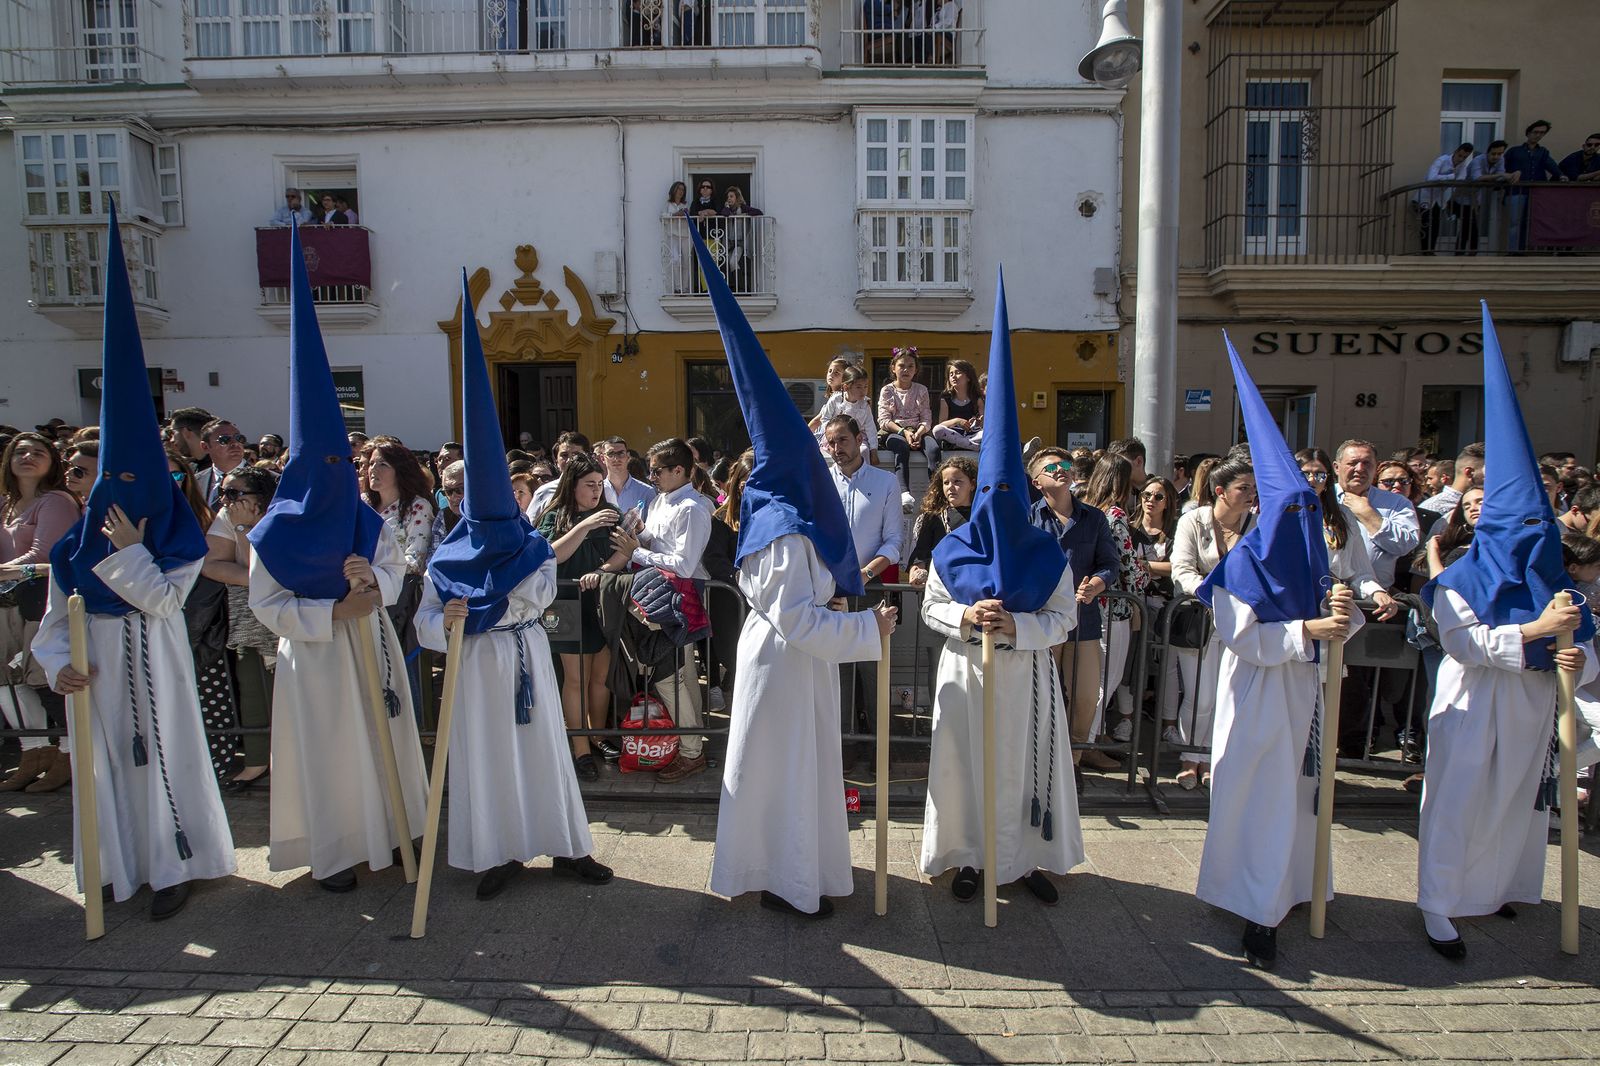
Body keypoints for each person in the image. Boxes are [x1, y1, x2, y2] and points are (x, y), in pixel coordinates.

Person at [687, 220, 893, 919]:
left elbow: (813, 602)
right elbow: (797, 616)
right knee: (784, 775)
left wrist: (847, 610)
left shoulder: (792, 521)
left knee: (802, 773)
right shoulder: (777, 531)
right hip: (784, 661)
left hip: (801, 661)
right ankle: (785, 879)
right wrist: (870, 628)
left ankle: (804, 872)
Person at [34, 209, 235, 919]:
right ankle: (119, 867)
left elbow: (165, 602)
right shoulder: (69, 549)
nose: (113, 498)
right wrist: (56, 659)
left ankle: (176, 864)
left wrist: (132, 557)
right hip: (97, 675)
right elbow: (57, 620)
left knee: (164, 760)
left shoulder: (176, 538)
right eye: (97, 482)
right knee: (112, 769)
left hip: (156, 658)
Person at [418, 272, 611, 901]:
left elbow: (542, 593)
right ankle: (497, 852)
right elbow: (425, 624)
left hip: (525, 651)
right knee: (490, 758)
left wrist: (494, 605)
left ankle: (565, 846)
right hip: (478, 664)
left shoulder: (528, 543)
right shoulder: (448, 557)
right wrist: (450, 616)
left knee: (546, 753)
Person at [247, 224, 428, 894]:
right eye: (320, 462)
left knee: (380, 740)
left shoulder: (363, 515)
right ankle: (334, 850)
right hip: (318, 656)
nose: (334, 473)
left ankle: (390, 828)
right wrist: (331, 609)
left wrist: (372, 586)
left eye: (339, 461)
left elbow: (393, 565)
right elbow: (266, 605)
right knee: (329, 755)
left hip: (368, 641)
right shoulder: (274, 532)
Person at [1417, 304, 1595, 960]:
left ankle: (1494, 889)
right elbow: (1463, 643)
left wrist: (1576, 651)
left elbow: (1586, 651)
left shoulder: (1557, 583)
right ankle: (1439, 904)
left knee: (1518, 803)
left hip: (1529, 704)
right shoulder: (1460, 580)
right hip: (1472, 707)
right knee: (1459, 802)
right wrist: (1534, 632)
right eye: (1514, 531)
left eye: (1535, 530)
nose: (1526, 544)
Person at [1195, 334, 1360, 971]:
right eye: (1287, 509)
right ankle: (1254, 908)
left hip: (1306, 698)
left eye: (1307, 508)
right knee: (1259, 799)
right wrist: (1310, 634)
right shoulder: (1241, 567)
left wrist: (1341, 623)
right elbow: (1245, 639)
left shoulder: (1320, 563)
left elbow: (1337, 629)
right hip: (1258, 699)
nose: (1299, 520)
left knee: (1299, 797)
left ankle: (1293, 889)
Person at [921, 273, 1081, 907]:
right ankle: (969, 857)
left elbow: (1065, 615)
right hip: (965, 675)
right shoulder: (951, 548)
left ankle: (1024, 859)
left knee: (1023, 768)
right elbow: (933, 607)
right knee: (964, 769)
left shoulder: (1046, 552)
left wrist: (1020, 626)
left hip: (1027, 679)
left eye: (1006, 493)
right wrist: (967, 615)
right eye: (987, 493)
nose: (996, 504)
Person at [608, 438, 714, 783]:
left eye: (657, 471)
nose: (651, 476)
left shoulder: (693, 508)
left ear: (678, 470)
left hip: (678, 597)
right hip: (662, 596)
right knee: (680, 674)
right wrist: (641, 534)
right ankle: (693, 745)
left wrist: (636, 551)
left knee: (670, 678)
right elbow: (659, 541)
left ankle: (691, 751)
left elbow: (683, 565)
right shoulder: (663, 501)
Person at [1027, 447, 1121, 777]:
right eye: (1051, 467)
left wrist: (1098, 582)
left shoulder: (1094, 518)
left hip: (1085, 621)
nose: (1061, 469)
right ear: (1037, 482)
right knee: (1042, 696)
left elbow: (1111, 564)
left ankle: (1074, 762)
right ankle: (1040, 761)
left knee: (1084, 697)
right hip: (1044, 621)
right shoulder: (1028, 518)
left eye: (1065, 464)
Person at [534, 455, 628, 779]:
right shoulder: (553, 515)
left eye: (600, 485)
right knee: (575, 679)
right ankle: (580, 749)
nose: (596, 491)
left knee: (599, 677)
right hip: (562, 603)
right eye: (589, 485)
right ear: (571, 485)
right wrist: (585, 524)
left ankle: (598, 735)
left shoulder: (611, 514)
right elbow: (552, 555)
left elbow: (624, 554)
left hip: (600, 601)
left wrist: (606, 567)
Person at [1170, 457, 1258, 789]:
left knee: (1229, 695)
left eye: (1253, 487)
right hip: (1199, 619)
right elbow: (1181, 569)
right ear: (1220, 491)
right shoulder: (1193, 520)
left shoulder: (1258, 525)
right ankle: (1190, 757)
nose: (1251, 494)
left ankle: (1212, 758)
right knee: (1200, 697)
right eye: (1243, 488)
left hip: (1240, 624)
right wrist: (1211, 593)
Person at [0, 431, 81, 792]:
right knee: (7, 682)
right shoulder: (6, 503)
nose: (28, 456)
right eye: (20, 451)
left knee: (41, 678)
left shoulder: (55, 501)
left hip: (38, 600)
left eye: (38, 451)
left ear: (52, 461)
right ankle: (33, 751)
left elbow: (43, 552)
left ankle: (67, 752)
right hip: (5, 601)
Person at [822, 414, 903, 772]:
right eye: (831, 443)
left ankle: (880, 753)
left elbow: (895, 541)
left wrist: (866, 574)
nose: (837, 448)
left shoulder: (886, 482)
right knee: (838, 674)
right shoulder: (821, 483)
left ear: (859, 439)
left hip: (872, 591)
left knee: (874, 674)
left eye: (842, 440)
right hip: (831, 591)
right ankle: (843, 749)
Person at [202, 465, 279, 792]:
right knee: (250, 690)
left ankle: (285, 761)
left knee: (281, 692)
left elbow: (254, 563)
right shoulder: (226, 515)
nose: (227, 499)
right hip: (245, 616)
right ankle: (256, 760)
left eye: (235, 493)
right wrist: (254, 578)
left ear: (258, 495)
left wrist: (245, 528)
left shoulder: (278, 514)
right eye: (224, 492)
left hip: (280, 615)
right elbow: (211, 564)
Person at [1079, 454, 1149, 754]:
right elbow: (1125, 563)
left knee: (1093, 676)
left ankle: (1088, 738)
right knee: (1107, 676)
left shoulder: (1087, 509)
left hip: (1091, 603)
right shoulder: (1116, 515)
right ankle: (1087, 743)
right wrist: (1144, 577)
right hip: (1113, 605)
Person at [1121, 476, 1180, 745]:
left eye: (1158, 497)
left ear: (1168, 501)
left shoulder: (1176, 532)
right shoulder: (1130, 531)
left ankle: (1169, 725)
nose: (1150, 501)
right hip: (1134, 604)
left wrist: (1143, 565)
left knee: (1167, 668)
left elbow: (1178, 567)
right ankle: (1126, 720)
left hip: (1167, 608)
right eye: (1146, 495)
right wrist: (1155, 566)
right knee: (1129, 663)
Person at [907, 456, 976, 588]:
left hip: (973, 586)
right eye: (946, 482)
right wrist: (916, 572)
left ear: (972, 484)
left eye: (957, 482)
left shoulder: (982, 516)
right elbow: (920, 555)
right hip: (942, 588)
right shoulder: (933, 518)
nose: (950, 487)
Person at [877, 346, 938, 492]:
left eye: (910, 366)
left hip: (919, 431)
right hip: (895, 432)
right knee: (901, 447)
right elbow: (884, 420)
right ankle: (904, 492)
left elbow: (926, 418)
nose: (906, 370)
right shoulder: (887, 390)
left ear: (916, 369)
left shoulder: (921, 390)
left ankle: (937, 491)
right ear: (893, 368)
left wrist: (919, 433)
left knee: (934, 449)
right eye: (901, 366)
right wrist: (903, 432)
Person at [1506, 120, 1568, 251]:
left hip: (1536, 193)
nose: (1538, 135)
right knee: (1515, 223)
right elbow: (1503, 168)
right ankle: (1513, 251)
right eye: (1535, 132)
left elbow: (1551, 165)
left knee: (1533, 223)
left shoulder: (1543, 152)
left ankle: (1527, 250)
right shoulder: (1514, 151)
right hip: (1517, 191)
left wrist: (1561, 175)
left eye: (1542, 133)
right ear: (1528, 133)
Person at [1419, 143, 1473, 253]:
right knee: (1426, 225)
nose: (1461, 159)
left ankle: (1431, 251)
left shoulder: (1462, 166)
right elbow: (1431, 177)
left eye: (1464, 157)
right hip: (1426, 197)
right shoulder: (1442, 160)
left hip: (1440, 200)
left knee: (1436, 226)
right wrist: (1450, 176)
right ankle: (1425, 251)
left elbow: (1460, 181)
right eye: (1460, 156)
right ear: (1456, 152)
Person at [524, 431, 590, 520]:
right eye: (564, 455)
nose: (569, 460)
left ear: (588, 458)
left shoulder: (598, 490)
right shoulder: (544, 492)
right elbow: (530, 528)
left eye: (575, 455)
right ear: (556, 460)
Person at [813, 365, 878, 453]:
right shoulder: (835, 400)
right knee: (835, 450)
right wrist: (834, 432)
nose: (863, 391)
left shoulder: (865, 405)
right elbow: (825, 419)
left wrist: (873, 449)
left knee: (863, 451)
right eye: (858, 387)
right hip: (835, 436)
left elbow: (870, 428)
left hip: (856, 437)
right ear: (846, 387)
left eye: (865, 387)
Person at [931, 358, 983, 453]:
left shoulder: (977, 398)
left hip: (973, 434)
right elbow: (942, 424)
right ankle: (971, 446)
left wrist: (977, 422)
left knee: (988, 434)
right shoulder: (946, 398)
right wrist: (957, 421)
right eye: (951, 374)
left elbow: (984, 422)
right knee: (937, 430)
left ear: (968, 377)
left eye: (958, 372)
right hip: (954, 434)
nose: (953, 376)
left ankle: (962, 444)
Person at [194, 418, 247, 509]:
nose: (235, 443)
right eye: (225, 439)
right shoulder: (194, 482)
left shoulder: (268, 480)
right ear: (205, 447)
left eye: (239, 438)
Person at [719, 187, 764, 292]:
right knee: (727, 264)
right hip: (729, 243)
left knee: (733, 262)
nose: (729, 199)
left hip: (740, 243)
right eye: (728, 197)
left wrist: (745, 215)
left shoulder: (742, 208)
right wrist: (726, 206)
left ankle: (741, 288)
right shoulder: (728, 209)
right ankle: (733, 287)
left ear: (737, 197)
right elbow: (724, 214)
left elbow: (759, 212)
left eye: (731, 196)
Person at [597, 435, 654, 516]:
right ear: (602, 458)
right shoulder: (597, 490)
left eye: (621, 453)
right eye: (611, 454)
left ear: (628, 456)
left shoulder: (646, 491)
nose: (616, 459)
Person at [663, 180, 691, 292]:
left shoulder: (686, 205)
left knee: (686, 262)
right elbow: (662, 216)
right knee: (675, 260)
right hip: (673, 235)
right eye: (678, 189)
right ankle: (677, 287)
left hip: (685, 235)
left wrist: (685, 213)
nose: (680, 191)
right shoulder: (668, 204)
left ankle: (685, 288)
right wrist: (675, 215)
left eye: (682, 190)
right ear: (673, 190)